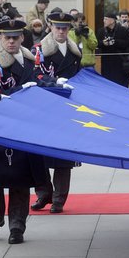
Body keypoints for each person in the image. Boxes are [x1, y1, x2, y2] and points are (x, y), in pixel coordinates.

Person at [0, 18, 49, 244]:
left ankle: (17, 225)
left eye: (15, 37)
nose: (11, 41)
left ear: (22, 38)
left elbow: (42, 80)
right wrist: (21, 90)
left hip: (23, 127)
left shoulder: (30, 61)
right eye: (6, 37)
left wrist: (56, 84)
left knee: (20, 179)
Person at [31, 11, 83, 213]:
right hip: (45, 107)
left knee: (63, 156)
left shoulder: (74, 52)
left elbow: (81, 78)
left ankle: (60, 199)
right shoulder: (39, 50)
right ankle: (44, 194)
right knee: (39, 155)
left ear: (69, 29)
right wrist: (53, 82)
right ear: (50, 27)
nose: (61, 31)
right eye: (57, 27)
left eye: (65, 28)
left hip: (67, 108)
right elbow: (35, 74)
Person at [98, 12, 129, 87]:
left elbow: (128, 44)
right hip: (106, 63)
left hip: (120, 62)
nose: (104, 21)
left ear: (112, 20)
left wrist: (115, 42)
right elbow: (97, 44)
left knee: (121, 84)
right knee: (107, 84)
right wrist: (104, 43)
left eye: (106, 19)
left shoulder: (122, 30)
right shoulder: (101, 31)